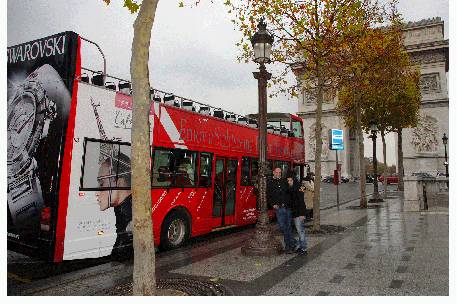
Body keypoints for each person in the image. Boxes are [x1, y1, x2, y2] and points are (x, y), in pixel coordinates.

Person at [96, 152, 132, 258]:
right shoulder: (122, 211)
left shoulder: (126, 216)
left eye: (102, 184)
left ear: (119, 183)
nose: (97, 193)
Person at [267, 166, 295, 254]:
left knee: (288, 227)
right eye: (277, 172)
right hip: (278, 208)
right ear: (273, 172)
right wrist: (273, 204)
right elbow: (268, 195)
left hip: (287, 207)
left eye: (280, 172)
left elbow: (290, 193)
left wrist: (291, 186)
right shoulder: (269, 182)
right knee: (283, 227)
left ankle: (288, 247)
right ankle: (293, 242)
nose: (278, 174)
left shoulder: (284, 181)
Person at [286, 173, 308, 255]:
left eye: (290, 180)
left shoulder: (298, 188)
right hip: (295, 213)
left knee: (300, 231)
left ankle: (304, 249)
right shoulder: (291, 189)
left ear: (294, 180)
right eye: (288, 181)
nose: (289, 182)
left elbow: (301, 202)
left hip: (299, 213)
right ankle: (301, 247)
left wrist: (302, 214)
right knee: (299, 231)